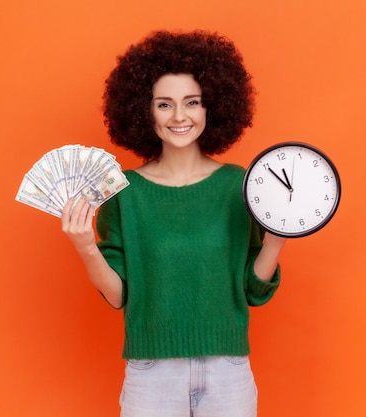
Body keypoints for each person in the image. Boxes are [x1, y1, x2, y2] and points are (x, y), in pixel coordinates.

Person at [61, 30, 287, 417]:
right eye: (164, 104)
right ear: (143, 111)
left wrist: (277, 240)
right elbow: (118, 296)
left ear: (211, 107)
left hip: (227, 371)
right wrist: (85, 247)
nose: (179, 116)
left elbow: (253, 290)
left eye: (192, 102)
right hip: (152, 375)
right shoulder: (125, 192)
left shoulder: (239, 184)